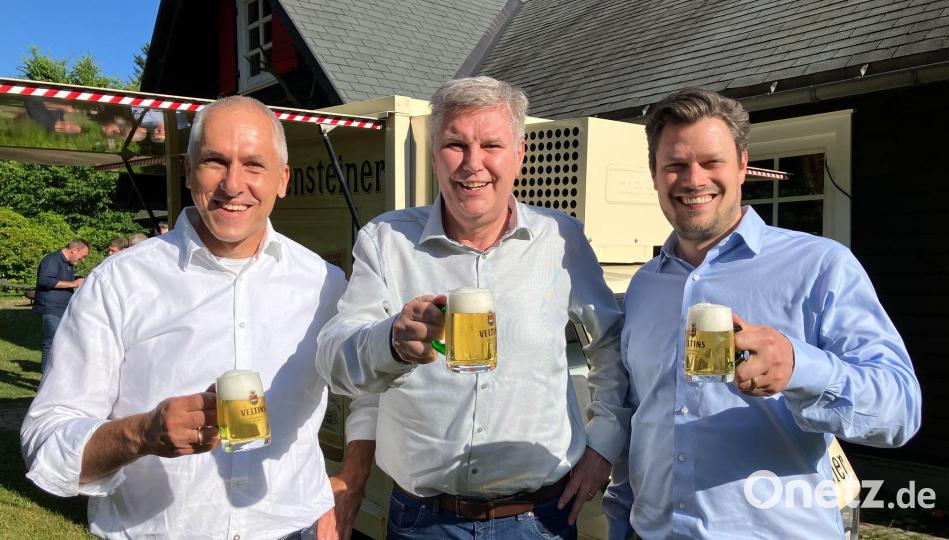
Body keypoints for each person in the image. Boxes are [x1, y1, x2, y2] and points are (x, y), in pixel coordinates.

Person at [316, 76, 628, 539]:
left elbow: (611, 346)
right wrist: (391, 343)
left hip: (540, 520)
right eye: (456, 144)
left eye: (491, 145)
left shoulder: (560, 239)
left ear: (519, 154)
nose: (473, 164)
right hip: (424, 521)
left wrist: (603, 447)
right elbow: (333, 359)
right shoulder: (386, 242)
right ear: (434, 152)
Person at [21, 95, 347, 539]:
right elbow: (47, 437)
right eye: (215, 161)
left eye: (254, 165)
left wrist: (344, 488)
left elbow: (367, 392)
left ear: (283, 179)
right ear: (188, 169)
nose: (233, 185)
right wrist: (140, 434)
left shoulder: (324, 283)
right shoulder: (120, 281)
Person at [617, 87, 921, 539]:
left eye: (711, 162)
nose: (693, 180)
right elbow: (642, 417)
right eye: (676, 165)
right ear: (655, 175)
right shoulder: (645, 286)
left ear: (742, 165)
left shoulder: (820, 266)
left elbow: (901, 411)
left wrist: (801, 368)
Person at [33, 239, 88, 373]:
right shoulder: (52, 260)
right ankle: (46, 383)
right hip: (51, 309)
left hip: (61, 309)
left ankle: (57, 377)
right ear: (74, 250)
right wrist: (73, 284)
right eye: (83, 255)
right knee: (52, 344)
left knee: (61, 344)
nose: (83, 259)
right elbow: (45, 281)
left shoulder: (67, 264)